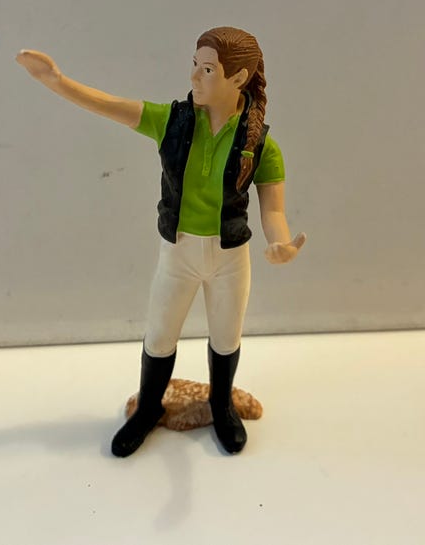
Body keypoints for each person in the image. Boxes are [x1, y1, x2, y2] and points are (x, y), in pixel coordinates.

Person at [16, 26, 306, 457]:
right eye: (195, 65)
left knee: (226, 336)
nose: (194, 77)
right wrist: (57, 81)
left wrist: (280, 243)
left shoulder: (261, 144)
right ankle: (149, 408)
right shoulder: (172, 121)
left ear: (239, 78)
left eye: (208, 70)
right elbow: (109, 105)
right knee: (160, 334)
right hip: (179, 252)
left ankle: (221, 405)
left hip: (230, 257)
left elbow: (273, 212)